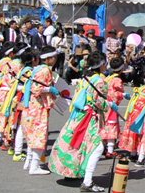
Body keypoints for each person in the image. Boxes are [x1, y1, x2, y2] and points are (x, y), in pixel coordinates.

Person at [49, 52, 112, 191]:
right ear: (101, 65)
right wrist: (108, 105)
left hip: (78, 116)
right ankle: (88, 181)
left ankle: (72, 173)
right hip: (90, 118)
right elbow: (100, 103)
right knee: (96, 147)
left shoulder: (84, 78)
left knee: (76, 144)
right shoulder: (101, 81)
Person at [22, 45, 59, 175]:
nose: (55, 59)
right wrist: (49, 89)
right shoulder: (44, 71)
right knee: (38, 134)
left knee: (32, 135)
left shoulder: (37, 69)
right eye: (54, 57)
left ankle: (29, 161)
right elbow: (36, 88)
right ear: (48, 58)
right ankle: (34, 165)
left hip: (32, 106)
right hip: (38, 107)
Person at [120, 69, 145, 165]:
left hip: (133, 111)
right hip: (141, 113)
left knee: (135, 134)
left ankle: (133, 154)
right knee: (142, 135)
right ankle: (141, 158)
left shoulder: (143, 87)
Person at [100, 56, 129, 157]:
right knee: (112, 127)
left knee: (105, 126)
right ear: (122, 68)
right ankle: (110, 150)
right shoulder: (117, 80)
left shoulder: (108, 78)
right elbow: (114, 94)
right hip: (111, 107)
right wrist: (123, 95)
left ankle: (104, 147)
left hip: (105, 106)